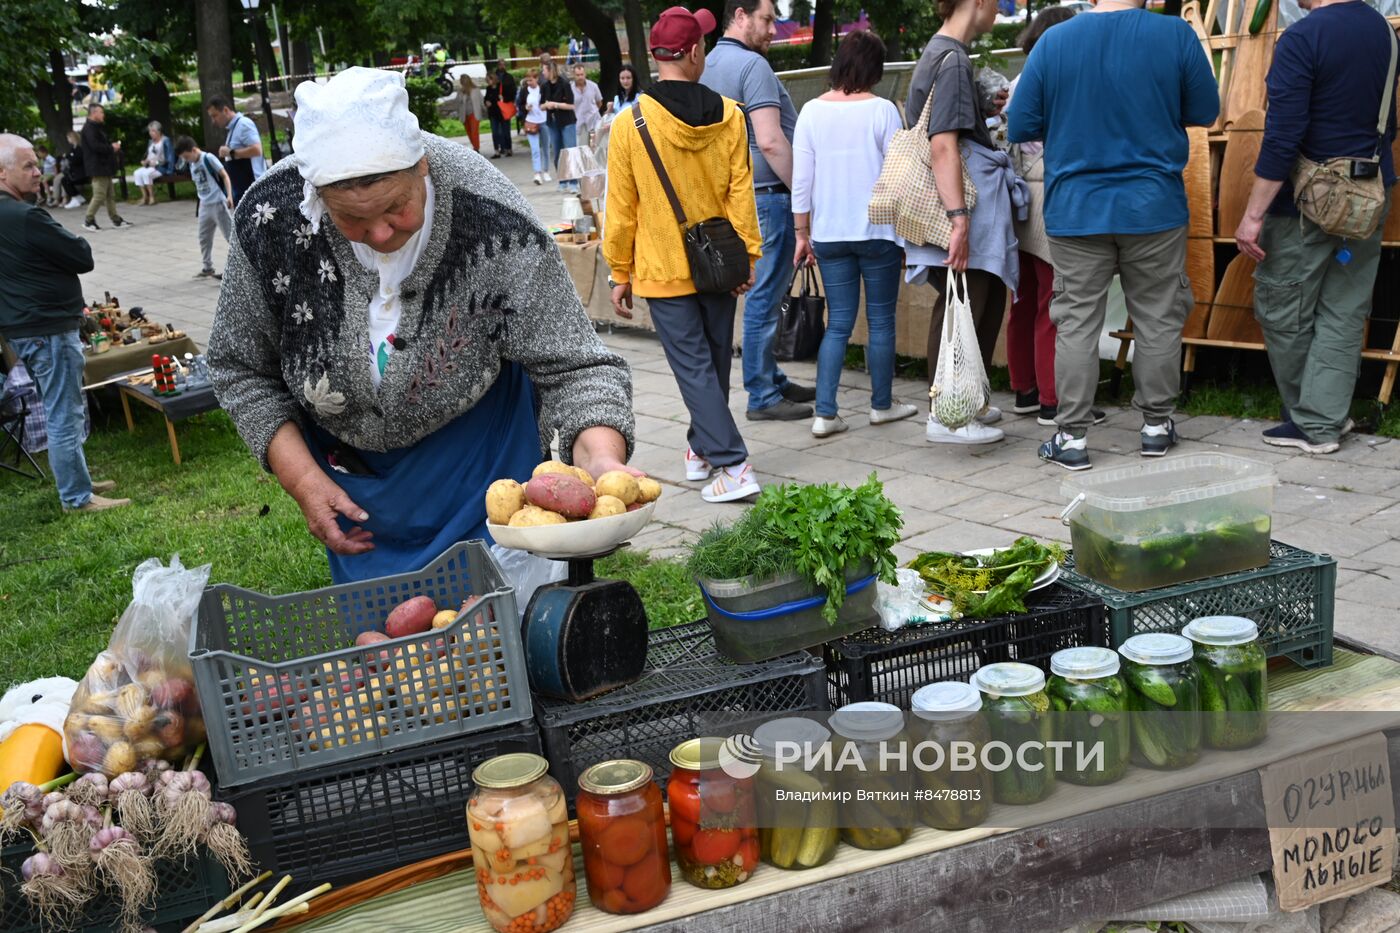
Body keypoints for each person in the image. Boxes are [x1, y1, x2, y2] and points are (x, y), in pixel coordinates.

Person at [208, 68, 635, 583]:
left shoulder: (493, 217)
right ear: (316, 195)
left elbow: (574, 366)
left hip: (483, 468)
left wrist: (604, 463)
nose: (381, 232)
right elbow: (238, 365)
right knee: (391, 650)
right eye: (352, 220)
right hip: (358, 494)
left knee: (504, 637)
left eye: (395, 208)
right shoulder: (271, 220)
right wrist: (302, 480)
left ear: (422, 166)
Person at [1008, 0, 1218, 470]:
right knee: (1158, 318)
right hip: (1153, 207)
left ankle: (1073, 437)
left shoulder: (1055, 41)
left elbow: (1021, 124)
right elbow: (1206, 110)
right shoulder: (1175, 36)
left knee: (1076, 321)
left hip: (1077, 208)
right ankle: (1156, 427)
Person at [604, 6, 763, 503]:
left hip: (661, 266)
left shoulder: (630, 125)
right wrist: (748, 256)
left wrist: (618, 270)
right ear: (696, 52)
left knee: (696, 365)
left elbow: (622, 206)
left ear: (654, 57)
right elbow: (742, 192)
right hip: (719, 260)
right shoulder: (732, 116)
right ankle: (704, 449)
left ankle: (732, 465)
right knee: (713, 361)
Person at [1235, 0, 1396, 455]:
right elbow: (1390, 127)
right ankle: (1324, 418)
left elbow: (1283, 135)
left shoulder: (1303, 37)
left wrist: (1253, 214)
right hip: (1370, 194)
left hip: (1306, 203)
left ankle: (1312, 420)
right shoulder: (1384, 32)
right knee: (1344, 310)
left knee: (1281, 306)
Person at [904, 0, 1023, 446]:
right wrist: (958, 220)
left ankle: (964, 400)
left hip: (960, 202)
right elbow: (942, 145)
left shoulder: (946, 53)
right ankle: (947, 413)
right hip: (962, 205)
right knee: (963, 302)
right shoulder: (951, 59)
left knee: (975, 298)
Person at [792, 30, 916, 438]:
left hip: (828, 233)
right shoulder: (884, 111)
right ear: (874, 69)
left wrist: (801, 233)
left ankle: (825, 413)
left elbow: (802, 180)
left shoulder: (810, 111)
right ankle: (881, 405)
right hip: (878, 231)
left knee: (839, 322)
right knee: (881, 321)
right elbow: (898, 176)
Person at [0, 134, 128, 513]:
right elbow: (81, 254)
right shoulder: (24, 216)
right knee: (64, 412)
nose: (38, 172)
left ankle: (79, 480)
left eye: (37, 164)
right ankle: (76, 496)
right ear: (2, 172)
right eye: (28, 166)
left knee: (60, 407)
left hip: (26, 328)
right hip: (46, 327)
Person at [702, 0, 816, 422]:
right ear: (741, 15)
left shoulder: (708, 64)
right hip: (768, 196)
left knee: (759, 296)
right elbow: (770, 141)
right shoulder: (754, 67)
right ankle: (763, 394)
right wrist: (804, 198)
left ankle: (770, 376)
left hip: (738, 196)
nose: (773, 30)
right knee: (765, 298)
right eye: (767, 20)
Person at [1006, 6, 1074, 426]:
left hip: (1019, 199)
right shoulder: (1057, 75)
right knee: (1055, 301)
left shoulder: (1018, 80)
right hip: (1050, 195)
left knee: (1025, 298)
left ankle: (1025, 388)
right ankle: (1054, 400)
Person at [174, 136, 234, 279]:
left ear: (194, 150)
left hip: (218, 203)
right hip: (204, 205)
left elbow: (224, 175)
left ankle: (236, 267)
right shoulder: (192, 163)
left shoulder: (208, 158)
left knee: (230, 236)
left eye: (187, 156)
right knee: (204, 237)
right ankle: (207, 267)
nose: (186, 160)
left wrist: (229, 195)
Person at [206, 96, 267, 206]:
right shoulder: (233, 128)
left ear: (225, 110)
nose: (213, 121)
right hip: (242, 188)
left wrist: (231, 153)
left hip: (251, 187)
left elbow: (257, 150)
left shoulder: (243, 124)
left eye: (215, 116)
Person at [79, 105, 130, 232]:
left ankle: (116, 219)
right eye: (101, 112)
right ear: (94, 113)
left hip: (104, 166)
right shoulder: (89, 128)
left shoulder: (96, 127)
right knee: (99, 195)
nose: (103, 115)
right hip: (97, 166)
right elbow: (95, 147)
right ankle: (89, 220)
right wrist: (111, 148)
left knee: (110, 195)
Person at [540, 61, 578, 188]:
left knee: (570, 150)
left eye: (544, 70)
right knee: (557, 152)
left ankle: (573, 181)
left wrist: (555, 105)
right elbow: (541, 105)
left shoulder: (565, 84)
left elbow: (572, 105)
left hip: (567, 121)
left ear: (550, 70)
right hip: (553, 122)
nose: (543, 72)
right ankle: (562, 180)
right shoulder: (544, 86)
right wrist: (546, 105)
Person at [131, 121, 176, 206]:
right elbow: (148, 155)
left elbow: (170, 157)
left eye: (153, 131)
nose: (150, 133)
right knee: (136, 173)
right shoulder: (151, 142)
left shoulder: (165, 140)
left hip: (161, 167)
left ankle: (152, 197)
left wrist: (157, 163)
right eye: (150, 131)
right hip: (149, 166)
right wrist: (145, 161)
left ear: (159, 131)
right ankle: (144, 197)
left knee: (146, 174)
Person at [522, 70, 551, 184]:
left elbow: (548, 101)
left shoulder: (543, 89)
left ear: (537, 79)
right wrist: (525, 108)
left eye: (531, 80)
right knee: (535, 149)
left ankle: (546, 170)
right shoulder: (524, 91)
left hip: (543, 121)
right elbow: (519, 104)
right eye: (527, 80)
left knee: (546, 147)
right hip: (531, 122)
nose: (529, 82)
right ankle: (537, 173)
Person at [570, 64, 605, 147]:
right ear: (574, 75)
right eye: (577, 75)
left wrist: (593, 111)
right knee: (582, 148)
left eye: (582, 74)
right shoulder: (570, 88)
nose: (580, 77)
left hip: (594, 120)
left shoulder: (593, 86)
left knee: (597, 147)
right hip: (579, 122)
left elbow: (599, 102)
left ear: (585, 74)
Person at [484, 73, 514, 159]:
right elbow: (486, 98)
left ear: (493, 79)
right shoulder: (488, 88)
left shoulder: (502, 87)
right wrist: (486, 102)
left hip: (503, 113)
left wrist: (503, 98)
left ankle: (508, 149)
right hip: (493, 113)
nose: (487, 82)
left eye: (488, 80)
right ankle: (497, 150)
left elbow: (510, 97)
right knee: (495, 133)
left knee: (505, 132)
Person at [457, 75, 487, 151]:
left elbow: (481, 101)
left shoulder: (476, 90)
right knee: (469, 132)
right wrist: (461, 93)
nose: (462, 83)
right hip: (464, 115)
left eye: (463, 81)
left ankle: (476, 148)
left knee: (474, 132)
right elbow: (458, 102)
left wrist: (486, 109)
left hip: (474, 114)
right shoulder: (461, 91)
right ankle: (474, 146)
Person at [59, 131, 86, 209]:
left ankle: (75, 198)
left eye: (68, 137)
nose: (67, 139)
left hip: (81, 173)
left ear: (72, 138)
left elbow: (76, 160)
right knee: (65, 179)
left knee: (65, 180)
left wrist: (68, 157)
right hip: (75, 172)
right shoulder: (73, 149)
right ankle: (77, 196)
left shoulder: (79, 148)